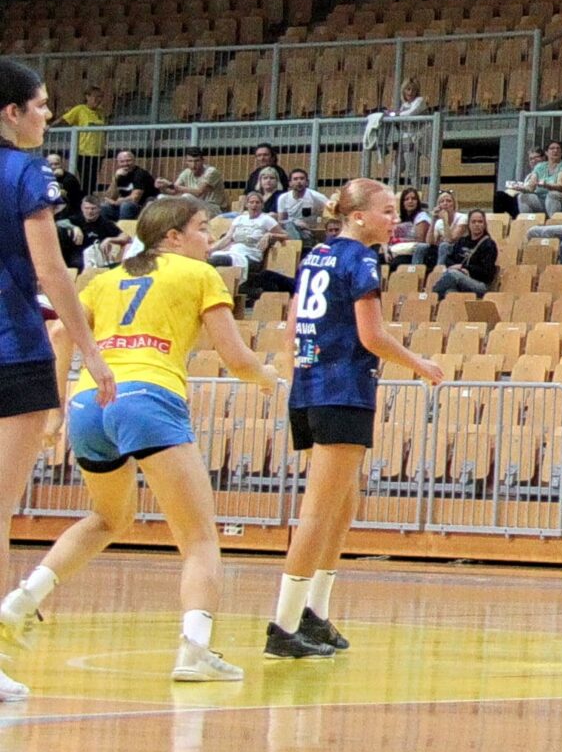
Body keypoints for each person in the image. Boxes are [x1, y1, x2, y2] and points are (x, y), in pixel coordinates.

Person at [0, 197, 278, 684]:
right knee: (199, 538)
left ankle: (21, 602)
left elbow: (60, 334)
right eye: (201, 228)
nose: (209, 239)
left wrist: (55, 411)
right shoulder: (200, 274)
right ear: (173, 236)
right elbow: (236, 358)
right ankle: (195, 650)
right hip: (149, 397)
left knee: (109, 517)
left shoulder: (104, 278)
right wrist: (268, 379)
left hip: (91, 403)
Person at [270, 178, 444, 660]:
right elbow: (372, 336)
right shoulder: (361, 259)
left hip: (311, 388)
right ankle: (283, 625)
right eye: (387, 211)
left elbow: (292, 325)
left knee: (344, 504)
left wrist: (298, 375)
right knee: (318, 513)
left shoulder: (316, 255)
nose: (395, 219)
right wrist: (420, 364)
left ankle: (315, 612)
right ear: (359, 216)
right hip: (342, 390)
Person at [0, 59, 116, 703]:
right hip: (13, 350)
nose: (48, 116)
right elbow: (51, 272)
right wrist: (90, 354)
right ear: (11, 112)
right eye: (42, 105)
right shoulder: (25, 173)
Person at [429, 210, 499, 298]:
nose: (477, 224)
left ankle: (431, 296)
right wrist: (457, 268)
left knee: (453, 274)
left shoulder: (489, 244)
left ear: (484, 224)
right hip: (460, 278)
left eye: (480, 222)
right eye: (473, 222)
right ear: (469, 224)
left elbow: (487, 273)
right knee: (450, 292)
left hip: (480, 284)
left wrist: (465, 268)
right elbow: (448, 259)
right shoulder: (462, 241)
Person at [508, 139, 562, 217]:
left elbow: (561, 186)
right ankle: (528, 222)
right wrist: (520, 188)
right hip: (543, 200)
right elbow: (531, 187)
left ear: (561, 152)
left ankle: (554, 222)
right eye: (552, 148)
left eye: (558, 148)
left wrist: (546, 185)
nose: (555, 150)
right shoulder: (540, 166)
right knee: (523, 197)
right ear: (546, 152)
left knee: (552, 195)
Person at [274, 168, 328, 246]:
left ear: (307, 182)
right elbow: (281, 221)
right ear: (290, 183)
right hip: (289, 231)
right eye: (295, 179)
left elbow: (331, 211)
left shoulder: (317, 197)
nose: (299, 181)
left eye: (302, 179)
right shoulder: (283, 198)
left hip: (309, 232)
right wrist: (296, 222)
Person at [386, 188, 435, 269]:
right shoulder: (400, 218)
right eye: (406, 199)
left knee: (395, 263)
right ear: (402, 203)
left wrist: (400, 242)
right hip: (398, 251)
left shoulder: (422, 217)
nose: (410, 201)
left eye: (413, 199)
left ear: (417, 202)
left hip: (414, 253)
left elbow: (420, 241)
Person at [106, 149, 154, 219]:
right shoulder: (120, 174)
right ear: (118, 162)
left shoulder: (140, 174)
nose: (125, 164)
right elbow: (109, 197)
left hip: (142, 207)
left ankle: (124, 226)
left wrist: (117, 202)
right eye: (122, 161)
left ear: (134, 161)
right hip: (123, 205)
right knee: (104, 207)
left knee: (126, 206)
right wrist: (115, 178)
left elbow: (135, 198)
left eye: (128, 160)